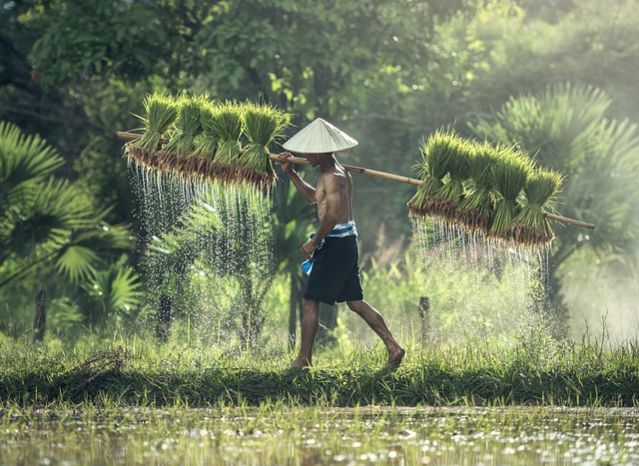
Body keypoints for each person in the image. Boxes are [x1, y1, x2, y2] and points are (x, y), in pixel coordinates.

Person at [279, 118, 405, 370]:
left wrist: (314, 241)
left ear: (320, 151)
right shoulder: (332, 174)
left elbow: (333, 215)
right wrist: (291, 173)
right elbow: (313, 199)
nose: (304, 154)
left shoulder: (335, 177)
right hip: (345, 242)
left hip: (336, 243)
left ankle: (303, 359)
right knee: (355, 301)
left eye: (308, 150)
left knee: (310, 299)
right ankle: (393, 346)